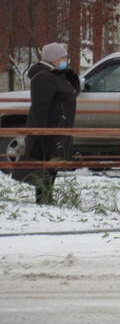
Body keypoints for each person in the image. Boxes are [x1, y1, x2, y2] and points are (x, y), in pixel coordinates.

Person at [13, 43, 80, 204]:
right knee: (45, 164)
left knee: (52, 164)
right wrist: (41, 133)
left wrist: (72, 77)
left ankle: (46, 198)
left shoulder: (56, 75)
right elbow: (40, 107)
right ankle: (43, 199)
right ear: (53, 58)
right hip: (48, 129)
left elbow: (71, 94)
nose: (66, 60)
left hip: (57, 129)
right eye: (63, 57)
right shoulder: (43, 77)